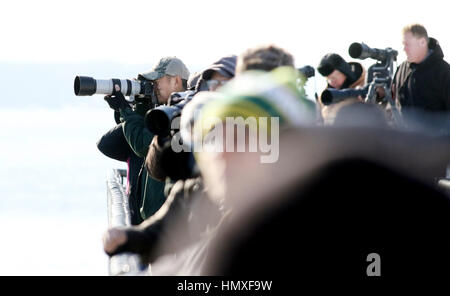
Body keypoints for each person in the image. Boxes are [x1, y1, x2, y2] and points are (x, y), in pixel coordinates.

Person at [104, 56, 190, 221]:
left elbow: (144, 145)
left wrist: (125, 110)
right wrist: (138, 106)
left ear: (176, 81)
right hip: (159, 218)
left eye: (157, 81)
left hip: (168, 222)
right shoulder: (166, 111)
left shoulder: (183, 112)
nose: (154, 86)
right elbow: (106, 144)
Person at [392, 24, 450, 134]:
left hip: (435, 147)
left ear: (422, 42)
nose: (404, 49)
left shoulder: (444, 72)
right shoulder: (401, 70)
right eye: (403, 44)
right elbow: (393, 104)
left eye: (407, 44)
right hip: (403, 145)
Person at [317, 53, 366, 125]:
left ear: (345, 72)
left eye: (334, 78)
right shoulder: (325, 98)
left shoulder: (366, 88)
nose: (331, 83)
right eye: (328, 80)